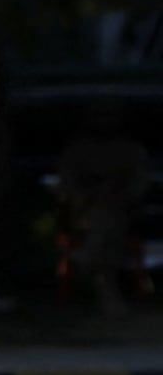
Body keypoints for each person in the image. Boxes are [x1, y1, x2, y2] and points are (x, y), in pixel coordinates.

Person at [55, 119, 147, 316]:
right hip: (84, 212)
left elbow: (138, 184)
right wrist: (87, 196)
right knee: (102, 225)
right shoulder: (78, 151)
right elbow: (68, 185)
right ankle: (101, 283)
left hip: (119, 211)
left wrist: (117, 193)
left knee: (107, 230)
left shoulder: (130, 151)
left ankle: (89, 262)